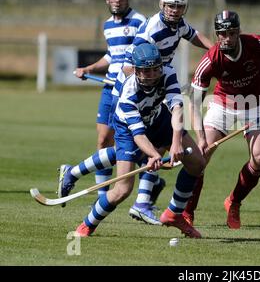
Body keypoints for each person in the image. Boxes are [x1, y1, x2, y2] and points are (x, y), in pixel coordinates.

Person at [58, 0, 213, 222]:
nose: (174, 10)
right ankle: (121, 196)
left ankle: (139, 200)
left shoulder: (176, 24)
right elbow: (130, 64)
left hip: (153, 86)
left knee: (141, 148)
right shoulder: (150, 28)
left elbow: (194, 36)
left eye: (179, 6)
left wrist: (216, 52)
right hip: (131, 90)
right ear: (162, 5)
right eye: (170, 6)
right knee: (127, 146)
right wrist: (140, 86)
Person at [74, 43, 206, 238]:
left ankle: (174, 213)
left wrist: (176, 142)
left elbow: (177, 108)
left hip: (158, 118)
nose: (152, 75)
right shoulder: (128, 95)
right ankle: (86, 225)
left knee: (197, 163)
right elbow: (139, 135)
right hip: (127, 129)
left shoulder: (168, 73)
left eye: (155, 69)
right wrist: (154, 155)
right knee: (122, 189)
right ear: (136, 70)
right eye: (146, 71)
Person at [188, 10, 260, 229]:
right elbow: (193, 103)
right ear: (216, 34)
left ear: (238, 31)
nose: (227, 38)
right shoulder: (210, 59)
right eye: (222, 33)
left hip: (257, 106)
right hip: (223, 105)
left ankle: (234, 201)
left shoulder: (257, 44)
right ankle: (187, 213)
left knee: (259, 158)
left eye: (232, 33)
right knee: (200, 156)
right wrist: (200, 137)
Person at [61, 0, 147, 200]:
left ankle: (145, 187)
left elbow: (144, 53)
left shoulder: (139, 21)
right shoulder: (108, 25)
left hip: (129, 91)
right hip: (109, 89)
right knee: (102, 140)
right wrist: (89, 68)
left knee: (124, 143)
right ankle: (102, 195)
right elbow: (112, 55)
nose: (117, 0)